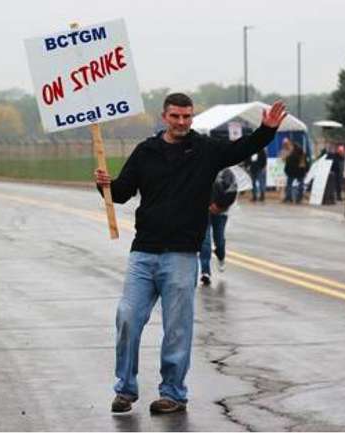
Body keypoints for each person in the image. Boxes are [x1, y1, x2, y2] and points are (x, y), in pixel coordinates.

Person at [94, 93, 286, 414]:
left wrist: (266, 130)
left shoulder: (205, 150)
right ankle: (125, 389)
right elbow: (124, 193)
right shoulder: (146, 151)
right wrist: (105, 185)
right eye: (175, 116)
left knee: (177, 328)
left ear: (191, 117)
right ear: (164, 117)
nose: (182, 122)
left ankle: (173, 393)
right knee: (127, 318)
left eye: (187, 116)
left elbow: (242, 149)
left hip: (182, 255)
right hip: (143, 253)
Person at [199, 167, 237, 285]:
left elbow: (232, 193)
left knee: (219, 240)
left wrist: (220, 206)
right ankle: (205, 272)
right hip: (205, 211)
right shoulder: (202, 169)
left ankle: (221, 255)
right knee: (205, 241)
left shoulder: (227, 173)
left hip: (221, 212)